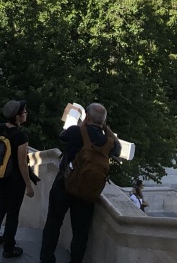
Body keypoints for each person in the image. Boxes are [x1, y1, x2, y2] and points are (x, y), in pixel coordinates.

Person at [39, 103, 120, 263]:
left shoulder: (76, 131)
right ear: (103, 122)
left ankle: (47, 258)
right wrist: (106, 127)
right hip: (87, 191)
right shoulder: (107, 142)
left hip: (64, 184)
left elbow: (62, 136)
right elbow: (117, 148)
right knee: (81, 233)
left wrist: (82, 124)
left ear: (87, 117)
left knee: (53, 224)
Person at [0, 100, 36, 259]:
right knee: (13, 213)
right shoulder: (21, 136)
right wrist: (28, 185)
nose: (26, 114)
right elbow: (22, 164)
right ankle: (9, 248)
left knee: (1, 204)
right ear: (18, 116)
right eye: (25, 111)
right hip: (14, 179)